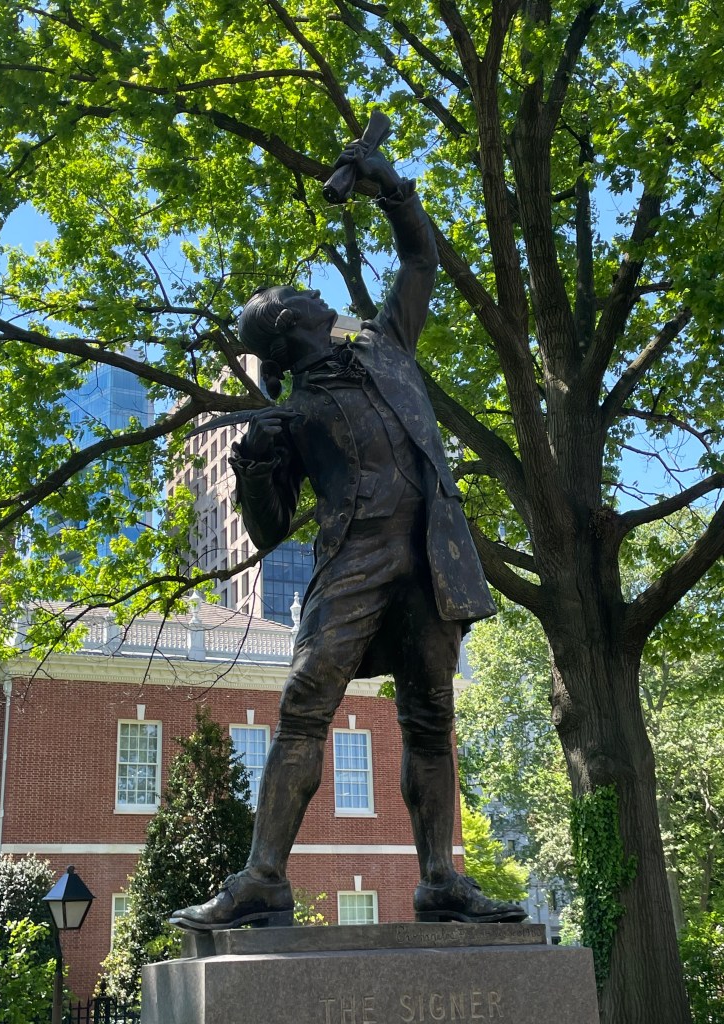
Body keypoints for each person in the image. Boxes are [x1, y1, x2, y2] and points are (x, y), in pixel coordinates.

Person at [170, 142, 526, 932]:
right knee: (304, 704)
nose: (316, 291)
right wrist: (256, 474)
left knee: (431, 716)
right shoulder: (285, 416)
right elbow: (266, 535)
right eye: (302, 293)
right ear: (291, 326)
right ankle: (264, 877)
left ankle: (440, 879)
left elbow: (420, 258)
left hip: (433, 555)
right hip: (354, 560)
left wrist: (391, 186)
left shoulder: (386, 343)